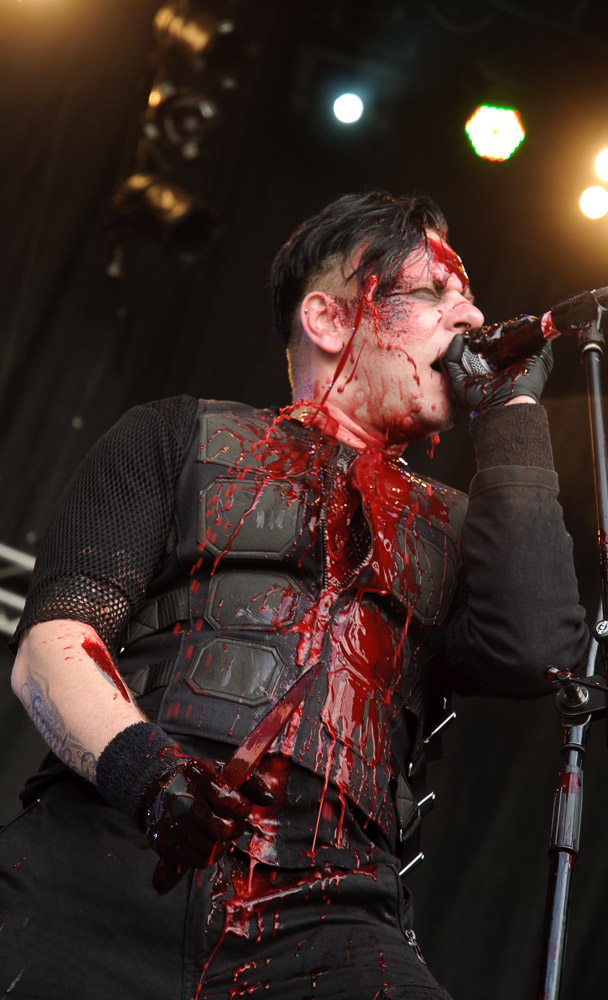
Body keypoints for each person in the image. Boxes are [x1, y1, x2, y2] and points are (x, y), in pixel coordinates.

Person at [0, 191, 587, 1000]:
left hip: (331, 908)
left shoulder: (458, 531)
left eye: (469, 297)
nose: (473, 317)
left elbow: (535, 649)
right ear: (330, 319)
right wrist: (152, 778)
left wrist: (513, 413)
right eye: (433, 293)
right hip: (107, 853)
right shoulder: (175, 436)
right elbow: (52, 645)